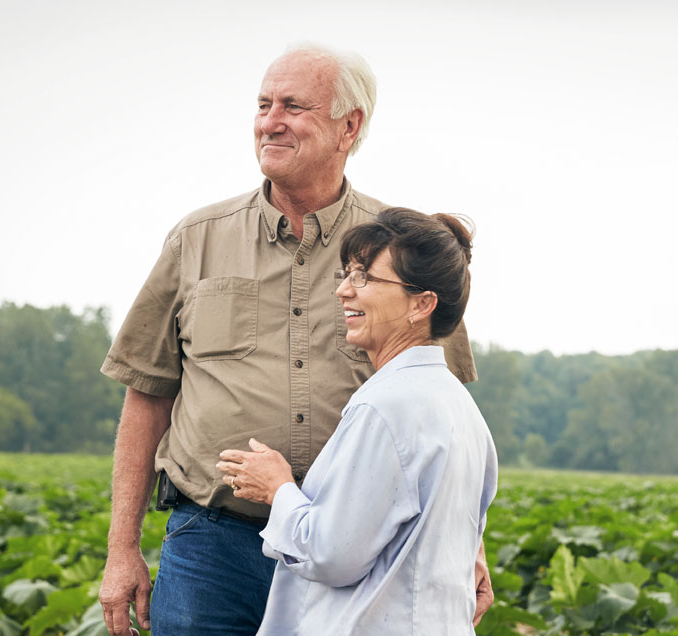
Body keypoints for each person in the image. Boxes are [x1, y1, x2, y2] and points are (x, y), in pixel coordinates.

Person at [97, 45, 488, 636]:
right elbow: (146, 394)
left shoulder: (402, 249)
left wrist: (467, 543)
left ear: (348, 126)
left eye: (293, 106)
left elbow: (442, 417)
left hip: (356, 555)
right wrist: (121, 548)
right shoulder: (196, 240)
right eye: (262, 104)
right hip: (213, 545)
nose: (269, 121)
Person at [216, 208, 497, 635]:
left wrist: (278, 488)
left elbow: (334, 554)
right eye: (347, 274)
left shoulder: (386, 407)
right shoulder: (461, 406)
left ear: (421, 304)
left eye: (364, 277)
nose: (344, 291)